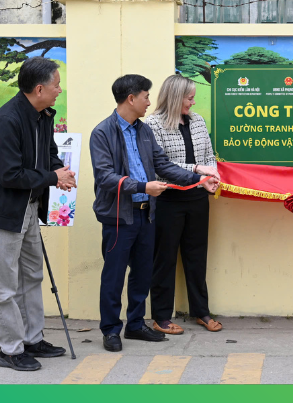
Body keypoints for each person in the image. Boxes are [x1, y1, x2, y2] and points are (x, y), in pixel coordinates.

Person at [90, 74, 219, 352]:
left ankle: (135, 325)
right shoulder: (102, 133)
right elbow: (106, 178)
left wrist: (197, 178)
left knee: (142, 273)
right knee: (114, 276)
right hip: (119, 216)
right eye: (146, 96)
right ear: (131, 98)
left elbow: (163, 164)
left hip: (147, 213)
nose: (150, 101)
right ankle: (111, 330)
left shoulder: (143, 131)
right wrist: (142, 186)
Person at [0, 57, 77, 371]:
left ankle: (32, 339)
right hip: (3, 211)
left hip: (29, 207)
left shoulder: (42, 114)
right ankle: (10, 349)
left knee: (31, 274)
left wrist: (59, 169)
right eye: (57, 84)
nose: (60, 89)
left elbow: (48, 153)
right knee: (3, 284)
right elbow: (10, 176)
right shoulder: (7, 120)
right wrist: (51, 178)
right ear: (40, 88)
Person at [144, 75, 222, 334]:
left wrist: (210, 176)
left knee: (196, 257)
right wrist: (199, 171)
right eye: (189, 97)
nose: (193, 101)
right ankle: (161, 317)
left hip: (198, 198)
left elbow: (208, 154)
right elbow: (160, 166)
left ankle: (201, 312)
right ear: (176, 97)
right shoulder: (153, 124)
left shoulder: (197, 121)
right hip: (168, 199)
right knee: (164, 259)